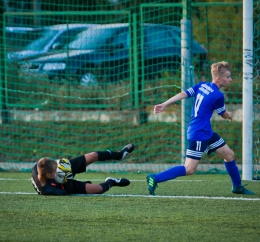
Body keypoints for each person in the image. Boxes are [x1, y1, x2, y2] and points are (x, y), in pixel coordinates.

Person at [146, 61, 254, 196]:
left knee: (229, 155)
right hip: (199, 134)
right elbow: (223, 114)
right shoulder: (217, 96)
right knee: (189, 169)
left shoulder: (202, 85)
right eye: (227, 77)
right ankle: (155, 178)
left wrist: (165, 104)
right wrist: (230, 115)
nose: (230, 79)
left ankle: (237, 186)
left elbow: (183, 94)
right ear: (219, 79)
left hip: (206, 132)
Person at [31, 143, 134, 195]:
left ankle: (120, 154)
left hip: (63, 172)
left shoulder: (39, 166)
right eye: (55, 168)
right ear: (49, 175)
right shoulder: (48, 190)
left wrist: (61, 165)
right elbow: (67, 192)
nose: (56, 167)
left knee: (93, 155)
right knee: (98, 189)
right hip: (64, 184)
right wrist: (68, 178)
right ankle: (111, 181)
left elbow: (49, 164)